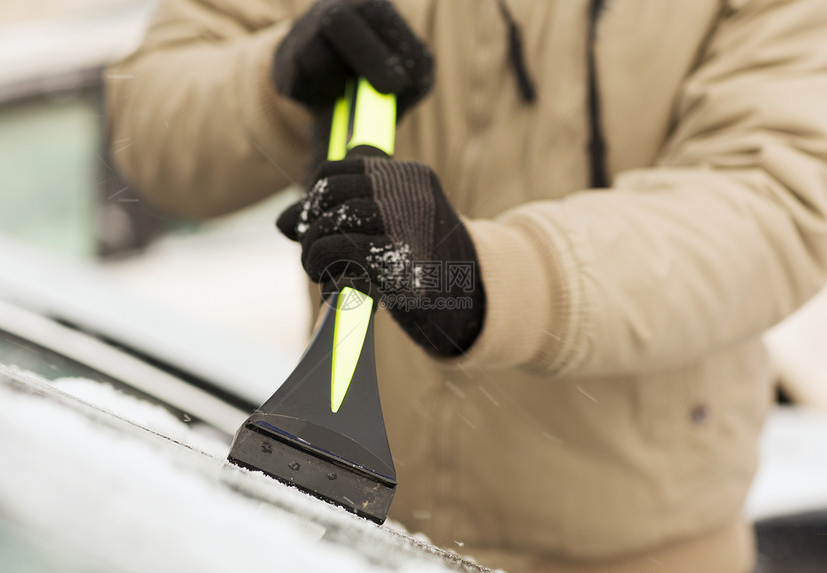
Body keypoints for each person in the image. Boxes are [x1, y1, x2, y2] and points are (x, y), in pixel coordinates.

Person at [105, 0, 827, 570]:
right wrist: (270, 81)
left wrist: (493, 278)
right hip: (350, 531)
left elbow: (775, 197)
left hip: (639, 556)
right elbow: (145, 135)